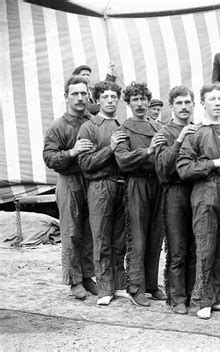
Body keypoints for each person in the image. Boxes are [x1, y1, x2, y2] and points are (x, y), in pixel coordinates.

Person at [176, 82, 220, 319]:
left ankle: (217, 297)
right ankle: (202, 299)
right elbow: (183, 168)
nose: (217, 103)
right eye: (212, 99)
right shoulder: (194, 132)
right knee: (206, 247)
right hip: (205, 194)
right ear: (203, 103)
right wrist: (216, 163)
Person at [43, 76, 97, 300]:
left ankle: (87, 276)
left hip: (92, 180)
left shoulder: (94, 122)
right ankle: (74, 280)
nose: (80, 98)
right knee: (71, 232)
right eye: (75, 94)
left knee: (90, 231)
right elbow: (48, 157)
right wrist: (72, 152)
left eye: (84, 93)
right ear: (66, 97)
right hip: (69, 181)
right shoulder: (59, 126)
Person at [77, 80, 130, 306]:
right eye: (105, 97)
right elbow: (86, 163)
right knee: (101, 238)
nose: (110, 100)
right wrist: (110, 147)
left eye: (113, 97)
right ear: (97, 100)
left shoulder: (123, 125)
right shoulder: (89, 127)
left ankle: (119, 285)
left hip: (122, 186)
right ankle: (105, 288)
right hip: (99, 186)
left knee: (120, 239)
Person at [114, 82, 166, 307]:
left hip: (158, 185)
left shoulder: (158, 128)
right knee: (137, 237)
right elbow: (123, 161)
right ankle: (135, 287)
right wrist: (148, 151)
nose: (140, 103)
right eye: (135, 99)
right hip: (136, 185)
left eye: (143, 99)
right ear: (128, 103)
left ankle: (152, 285)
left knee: (156, 236)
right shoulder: (123, 129)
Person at [154, 86, 199, 314]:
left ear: (193, 105)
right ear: (171, 106)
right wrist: (180, 139)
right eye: (179, 103)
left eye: (187, 102)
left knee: (196, 247)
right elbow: (162, 169)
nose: (184, 107)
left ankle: (193, 293)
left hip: (198, 193)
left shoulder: (199, 130)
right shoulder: (164, 132)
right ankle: (177, 297)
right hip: (174, 193)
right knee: (177, 247)